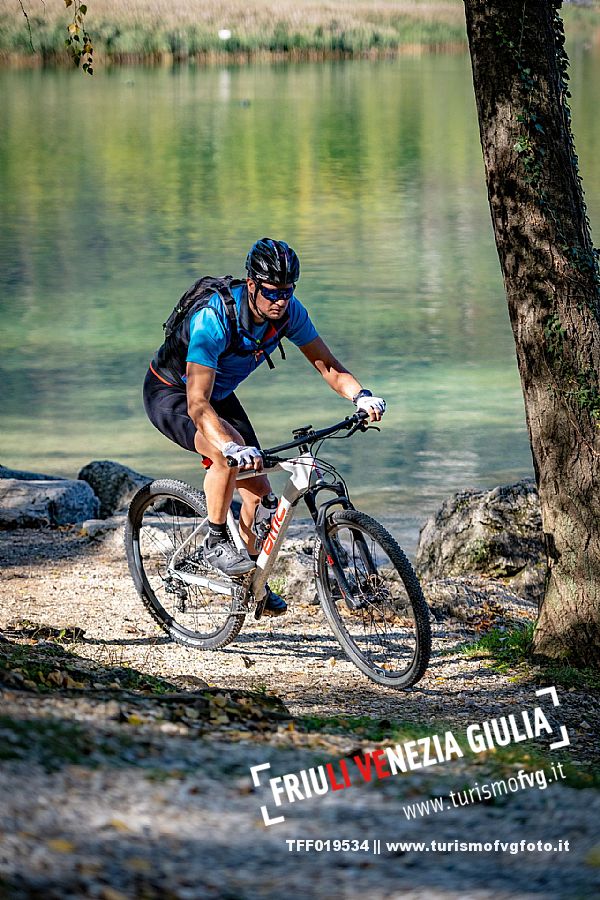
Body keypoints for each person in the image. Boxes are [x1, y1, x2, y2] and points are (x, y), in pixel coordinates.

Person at [143, 238, 386, 616]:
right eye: (271, 291)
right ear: (252, 284)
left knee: (259, 496)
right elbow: (197, 405)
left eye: (287, 292)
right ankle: (215, 540)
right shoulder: (214, 319)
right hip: (174, 393)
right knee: (229, 455)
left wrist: (361, 396)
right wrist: (227, 447)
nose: (280, 300)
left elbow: (329, 366)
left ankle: (251, 583)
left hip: (217, 393)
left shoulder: (289, 314)